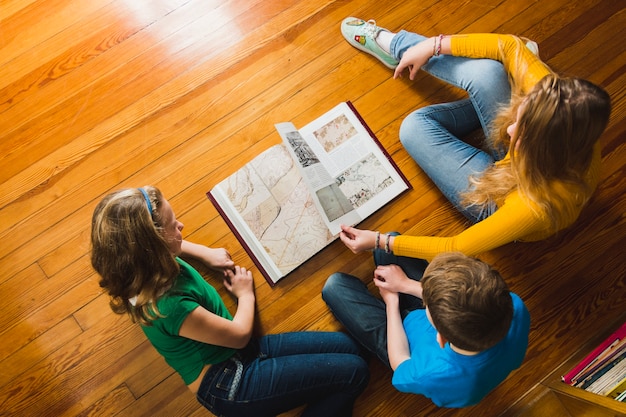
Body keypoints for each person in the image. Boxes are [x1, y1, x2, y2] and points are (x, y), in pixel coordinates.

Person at [337, 18, 611, 261]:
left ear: (543, 146)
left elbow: (456, 245)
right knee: (489, 73)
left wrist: (379, 241)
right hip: (521, 160)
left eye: (522, 128)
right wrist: (432, 44)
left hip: (501, 197)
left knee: (413, 128)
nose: (510, 129)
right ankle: (398, 46)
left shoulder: (534, 207)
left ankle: (495, 89)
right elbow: (510, 46)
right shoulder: (561, 107)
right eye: (520, 112)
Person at [90, 185, 369, 417]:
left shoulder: (141, 267)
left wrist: (202, 252)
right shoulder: (170, 306)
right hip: (228, 383)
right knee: (355, 373)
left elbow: (172, 244)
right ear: (153, 246)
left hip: (237, 356)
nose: (181, 225)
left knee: (349, 347)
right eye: (173, 225)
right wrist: (245, 294)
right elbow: (238, 336)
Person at [322, 246, 531, 408]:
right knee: (388, 244)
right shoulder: (513, 307)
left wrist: (391, 305)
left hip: (402, 343)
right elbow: (447, 302)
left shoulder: (431, 373)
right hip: (450, 327)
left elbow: (400, 363)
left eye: (428, 304)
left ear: (440, 339)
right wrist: (405, 285)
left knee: (334, 287)